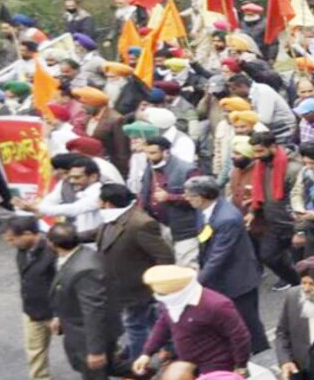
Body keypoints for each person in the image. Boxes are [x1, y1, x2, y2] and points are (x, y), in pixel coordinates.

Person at [183, 176, 270, 354]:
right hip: (220, 275)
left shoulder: (227, 218)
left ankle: (261, 353)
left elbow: (219, 255)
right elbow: (204, 241)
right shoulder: (203, 211)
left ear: (203, 196)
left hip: (238, 277)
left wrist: (198, 281)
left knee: (248, 319)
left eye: (190, 195)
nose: (186, 198)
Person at [94, 184, 175, 361]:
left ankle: (137, 364)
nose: (97, 202)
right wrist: (71, 237)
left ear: (108, 203)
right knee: (151, 319)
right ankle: (170, 346)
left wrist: (160, 285)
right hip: (123, 286)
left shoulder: (140, 223)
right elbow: (100, 233)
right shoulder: (115, 217)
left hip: (137, 288)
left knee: (134, 325)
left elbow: (165, 256)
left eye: (99, 199)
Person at [134, 265, 252, 377]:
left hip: (219, 368)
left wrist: (241, 366)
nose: (159, 297)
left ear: (175, 292)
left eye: (161, 294)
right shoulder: (172, 304)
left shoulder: (216, 305)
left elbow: (239, 337)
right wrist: (146, 353)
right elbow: (163, 324)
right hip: (191, 367)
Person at [47, 223, 123, 380]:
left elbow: (93, 311)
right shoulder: (81, 256)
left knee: (95, 375)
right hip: (82, 330)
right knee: (106, 369)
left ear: (52, 244)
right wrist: (59, 316)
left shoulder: (84, 270)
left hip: (88, 337)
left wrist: (95, 351)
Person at [247, 131, 302, 289]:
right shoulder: (261, 165)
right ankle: (296, 283)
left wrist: (300, 231)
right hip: (273, 222)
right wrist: (252, 211)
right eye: (254, 151)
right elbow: (259, 192)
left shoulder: (293, 168)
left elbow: (300, 201)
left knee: (303, 264)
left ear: (272, 147)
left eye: (260, 151)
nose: (256, 156)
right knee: (268, 256)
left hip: (292, 223)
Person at [3, 216, 56, 380]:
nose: (9, 243)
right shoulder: (22, 250)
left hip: (58, 313)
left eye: (12, 239)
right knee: (35, 351)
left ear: (27, 234)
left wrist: (56, 314)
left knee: (84, 347)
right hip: (32, 310)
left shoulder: (54, 251)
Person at [139, 136, 199, 266]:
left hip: (183, 229)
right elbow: (144, 193)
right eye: (147, 153)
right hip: (158, 226)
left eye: (153, 153)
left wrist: (170, 197)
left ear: (166, 152)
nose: (149, 157)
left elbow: (199, 198)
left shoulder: (187, 170)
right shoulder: (149, 167)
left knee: (186, 266)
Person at [17, 155, 103, 234]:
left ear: (93, 177)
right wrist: (40, 209)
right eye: (70, 177)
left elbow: (74, 209)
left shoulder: (99, 192)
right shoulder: (66, 184)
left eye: (77, 177)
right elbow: (51, 200)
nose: (72, 181)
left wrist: (38, 209)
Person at [75, 86, 131, 176]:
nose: (82, 107)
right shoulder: (88, 116)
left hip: (107, 165)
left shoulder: (116, 119)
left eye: (85, 103)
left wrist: (122, 173)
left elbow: (122, 149)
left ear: (95, 104)